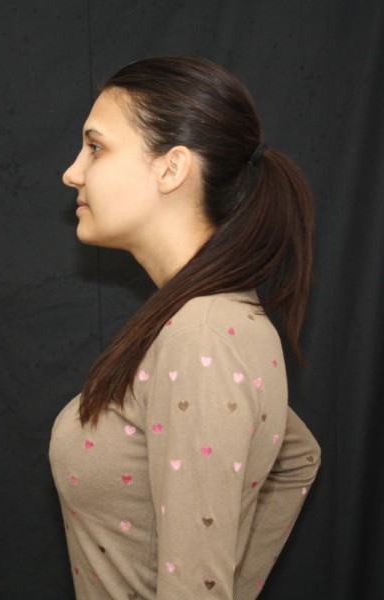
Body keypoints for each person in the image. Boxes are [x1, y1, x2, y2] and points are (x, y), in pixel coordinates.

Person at [49, 56, 321, 600]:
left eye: (96, 147)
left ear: (171, 169)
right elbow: (296, 457)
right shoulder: (211, 324)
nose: (72, 173)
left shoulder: (202, 336)